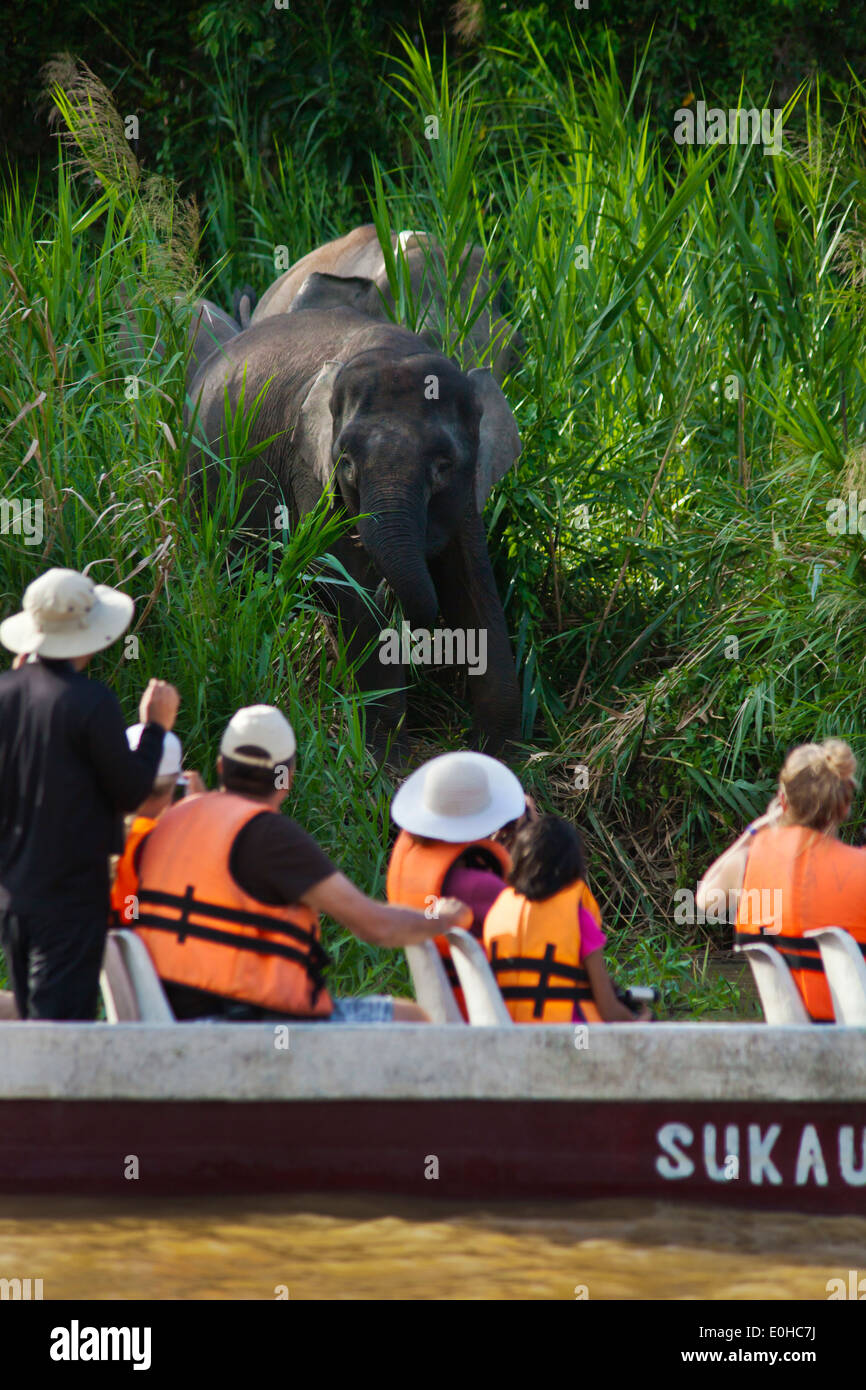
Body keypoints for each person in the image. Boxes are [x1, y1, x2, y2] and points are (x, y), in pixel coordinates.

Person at [125, 705, 471, 1023]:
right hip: (248, 1025)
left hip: (169, 1018)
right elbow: (375, 926)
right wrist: (441, 918)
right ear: (287, 777)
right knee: (413, 1021)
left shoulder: (171, 819)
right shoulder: (271, 837)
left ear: (220, 767)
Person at [0, 567, 179, 1020]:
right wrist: (155, 728)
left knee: (33, 1020)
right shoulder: (91, 702)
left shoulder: (5, 693)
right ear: (90, 634)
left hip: (12, 895)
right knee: (61, 1034)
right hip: (70, 899)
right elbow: (133, 791)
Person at [697, 738, 866, 1021]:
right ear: (845, 805)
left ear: (783, 802)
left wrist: (755, 830)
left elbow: (705, 902)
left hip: (792, 1045)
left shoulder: (748, 864)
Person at [386, 752, 527, 1015]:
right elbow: (543, 922)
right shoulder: (478, 886)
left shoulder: (409, 857)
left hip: (445, 1002)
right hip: (494, 1010)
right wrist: (534, 838)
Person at [484, 816, 647, 1023]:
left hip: (509, 1034)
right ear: (572, 865)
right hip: (569, 1040)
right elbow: (610, 1011)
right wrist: (641, 1022)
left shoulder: (497, 911)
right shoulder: (578, 918)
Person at [111, 724, 205, 925]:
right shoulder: (162, 844)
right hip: (132, 947)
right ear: (175, 784)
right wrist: (202, 815)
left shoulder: (92, 822)